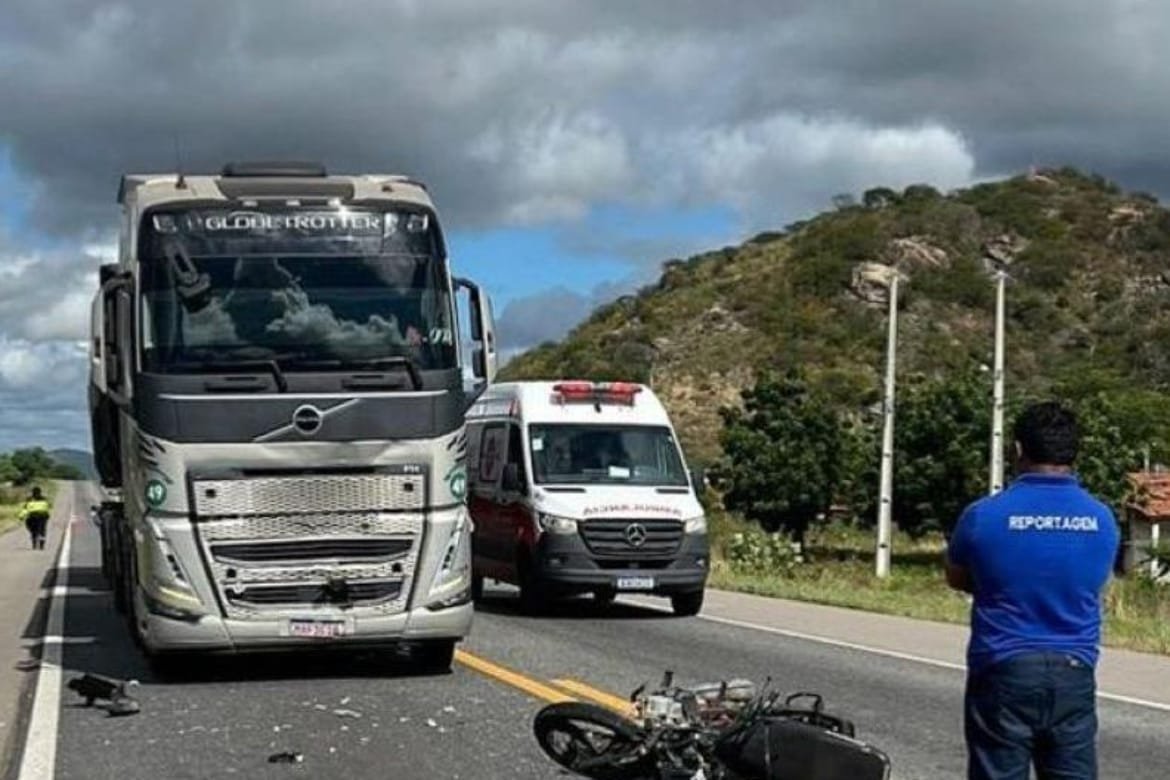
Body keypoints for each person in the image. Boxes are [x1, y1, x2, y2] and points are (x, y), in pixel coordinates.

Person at [946, 402, 1120, 780]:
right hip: (1074, 671)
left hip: (1002, 667)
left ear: (1018, 450)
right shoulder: (1102, 518)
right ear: (1075, 452)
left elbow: (957, 577)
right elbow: (1095, 582)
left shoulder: (983, 515)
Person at [18, 486, 52, 551]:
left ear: (32, 492)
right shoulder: (44, 499)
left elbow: (25, 509)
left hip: (33, 516)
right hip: (43, 516)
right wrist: (47, 515)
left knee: (32, 529)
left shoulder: (29, 499)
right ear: (40, 492)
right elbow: (47, 507)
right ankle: (42, 545)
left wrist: (21, 516)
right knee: (43, 530)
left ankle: (34, 544)